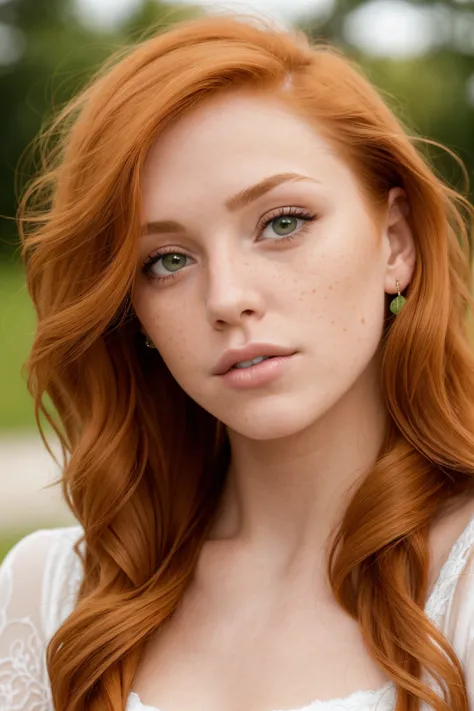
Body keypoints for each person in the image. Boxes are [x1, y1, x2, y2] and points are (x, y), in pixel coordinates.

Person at [1, 11, 474, 711]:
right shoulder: (47, 595)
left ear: (396, 243)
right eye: (166, 260)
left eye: (282, 223)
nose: (226, 297)